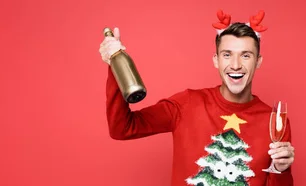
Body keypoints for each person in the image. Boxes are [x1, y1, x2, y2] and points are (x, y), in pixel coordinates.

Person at [99, 10, 295, 186]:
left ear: (258, 61)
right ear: (216, 60)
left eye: (246, 56)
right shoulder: (187, 104)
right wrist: (115, 66)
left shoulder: (275, 122)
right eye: (227, 55)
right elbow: (122, 128)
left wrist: (281, 170)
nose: (235, 65)